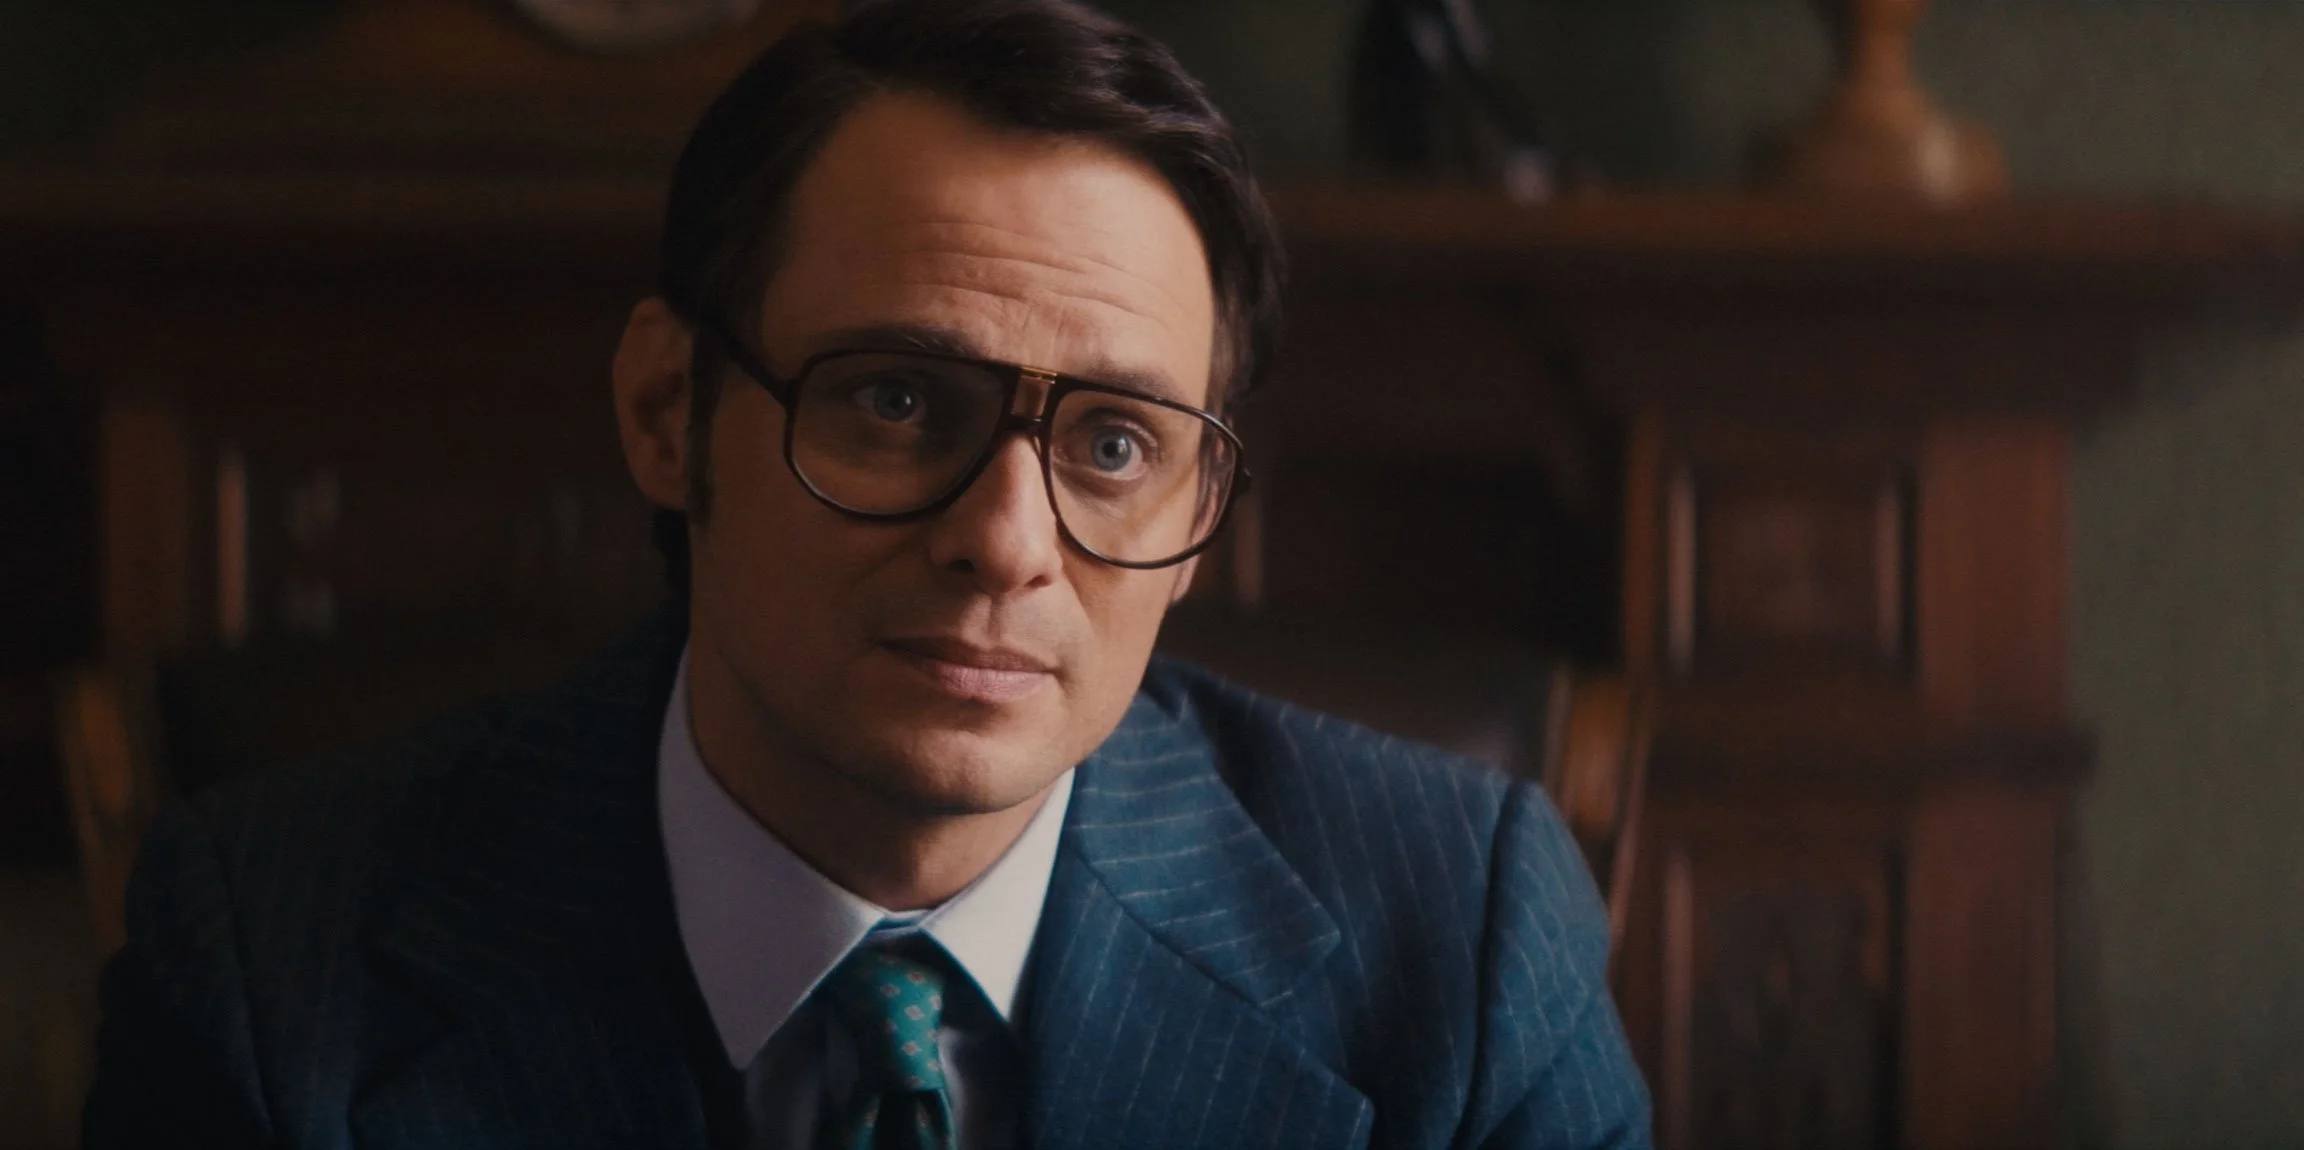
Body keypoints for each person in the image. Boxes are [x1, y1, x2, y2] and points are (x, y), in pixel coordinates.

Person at [81, 1, 1651, 1147]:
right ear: (666, 412)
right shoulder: (265, 958)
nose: (1008, 541)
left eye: (1114, 444)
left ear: (1204, 506)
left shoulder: (1462, 938)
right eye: (898, 402)